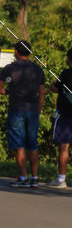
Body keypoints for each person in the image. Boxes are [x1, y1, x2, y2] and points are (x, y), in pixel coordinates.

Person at [0, 40, 45, 188]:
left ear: (16, 52)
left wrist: (9, 92)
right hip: (32, 110)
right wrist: (38, 111)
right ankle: (35, 178)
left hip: (16, 110)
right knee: (33, 145)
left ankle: (23, 177)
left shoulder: (9, 69)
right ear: (29, 52)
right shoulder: (37, 69)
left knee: (19, 144)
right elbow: (42, 93)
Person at [47, 47, 72, 188]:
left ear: (69, 59)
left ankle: (61, 179)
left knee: (64, 146)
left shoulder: (65, 74)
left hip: (65, 115)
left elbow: (54, 87)